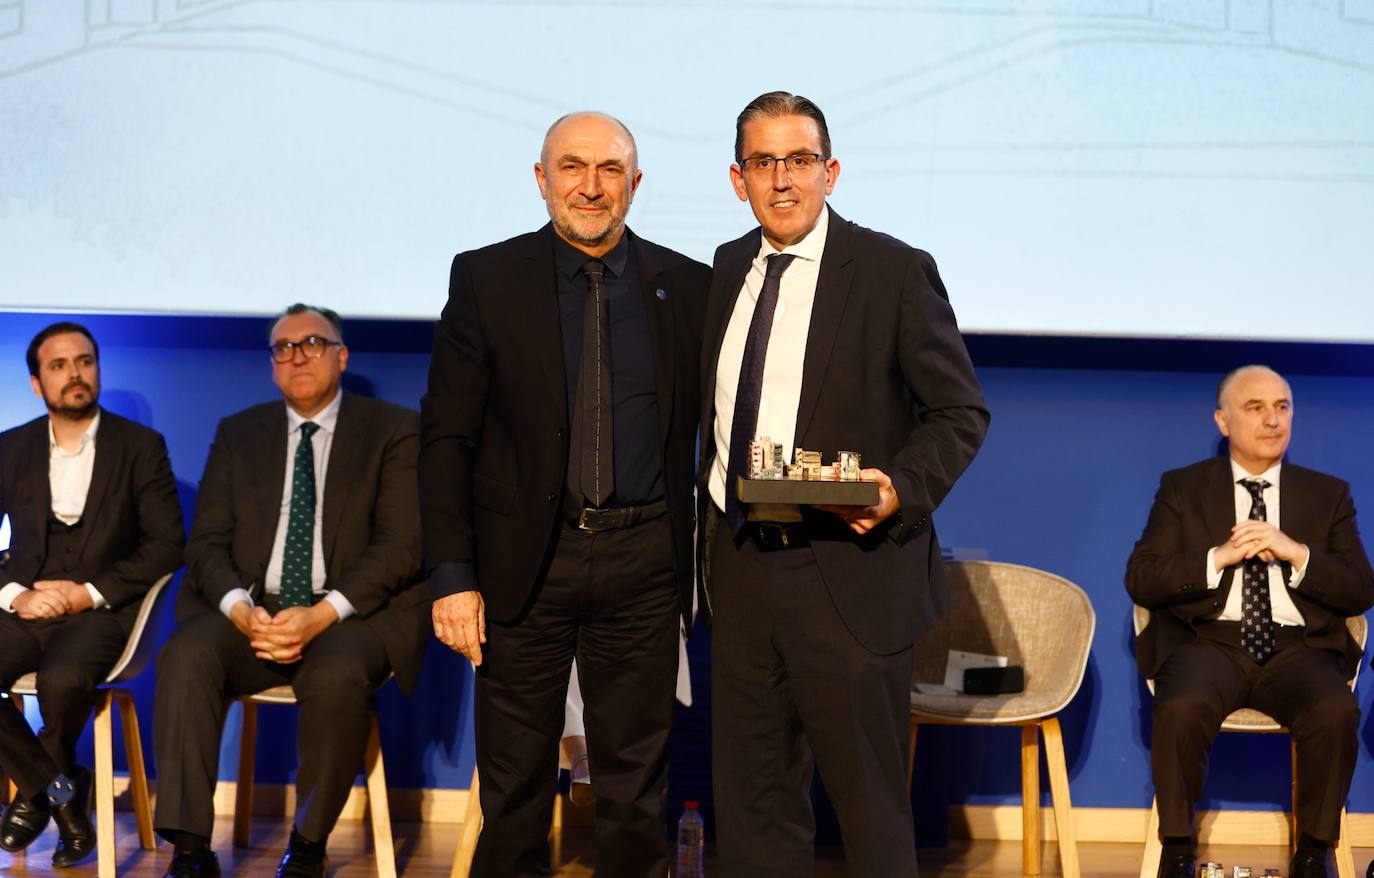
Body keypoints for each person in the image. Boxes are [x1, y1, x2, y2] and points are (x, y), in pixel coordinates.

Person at [699, 91, 989, 876]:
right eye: (764, 162)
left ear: (830, 172)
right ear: (738, 178)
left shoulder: (894, 271)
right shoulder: (725, 270)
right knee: (754, 807)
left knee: (868, 808)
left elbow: (960, 412)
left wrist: (897, 486)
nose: (781, 180)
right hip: (743, 571)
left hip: (851, 575)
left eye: (798, 161)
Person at [420, 111, 709, 876]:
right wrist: (453, 576)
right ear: (542, 180)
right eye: (572, 167)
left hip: (645, 559)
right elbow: (447, 439)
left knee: (635, 790)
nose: (591, 186)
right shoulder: (485, 278)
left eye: (609, 170)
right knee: (514, 787)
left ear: (635, 184)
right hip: (525, 566)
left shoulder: (690, 286)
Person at [152, 304, 428, 878]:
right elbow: (205, 542)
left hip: (346, 618)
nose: (297, 355)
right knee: (185, 654)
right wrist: (241, 610)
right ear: (272, 364)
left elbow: (401, 547)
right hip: (252, 613)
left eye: (313, 343)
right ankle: (189, 849)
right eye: (283, 347)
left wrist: (321, 616)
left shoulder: (393, 430)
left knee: (336, 675)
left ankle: (307, 843)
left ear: (341, 356)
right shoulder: (239, 432)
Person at [1126, 365, 1374, 878]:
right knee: (1182, 704)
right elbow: (1142, 578)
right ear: (1223, 421)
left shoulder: (1327, 495)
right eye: (1255, 408)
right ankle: (1176, 850)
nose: (1273, 420)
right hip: (1209, 643)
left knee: (1336, 712)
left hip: (1298, 648)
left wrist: (1298, 553)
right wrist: (1216, 557)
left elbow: (1360, 588)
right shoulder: (1183, 488)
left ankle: (1312, 853)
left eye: (1282, 407)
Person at [0, 321, 184, 868]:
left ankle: (40, 792)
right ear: (37, 384)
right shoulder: (10, 447)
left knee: (64, 680)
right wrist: (14, 594)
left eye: (84, 361)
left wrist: (88, 593)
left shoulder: (140, 447)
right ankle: (61, 796)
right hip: (26, 608)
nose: (74, 374)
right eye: (58, 366)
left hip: (99, 613)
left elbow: (168, 544)